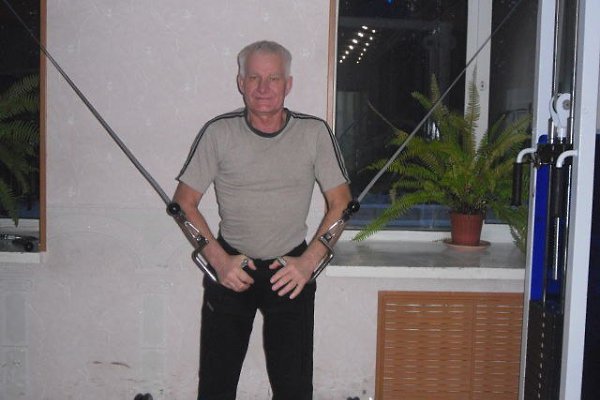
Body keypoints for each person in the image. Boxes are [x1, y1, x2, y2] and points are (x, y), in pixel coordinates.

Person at [173, 40, 352, 400]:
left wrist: (308, 263)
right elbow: (184, 204)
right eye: (254, 77)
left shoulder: (314, 133)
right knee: (215, 386)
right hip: (231, 267)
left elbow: (342, 204)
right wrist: (219, 261)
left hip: (291, 270)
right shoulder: (218, 132)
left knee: (294, 388)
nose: (263, 88)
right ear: (240, 82)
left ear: (289, 84)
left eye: (274, 78)